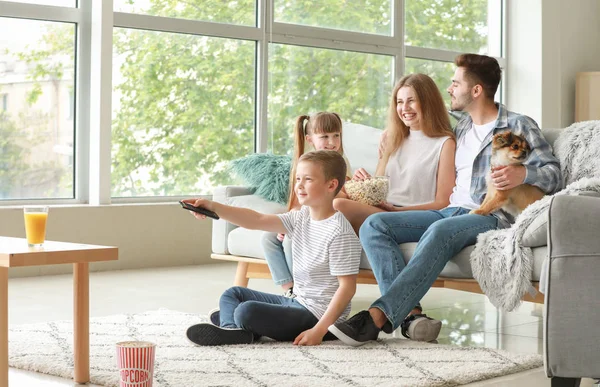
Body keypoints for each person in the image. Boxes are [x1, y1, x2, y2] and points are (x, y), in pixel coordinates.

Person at [327, 53, 562, 346]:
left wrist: (523, 173)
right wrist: (389, 135)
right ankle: (411, 316)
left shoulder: (517, 125)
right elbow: (420, 119)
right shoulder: (461, 127)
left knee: (439, 231)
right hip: (450, 210)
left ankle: (377, 316)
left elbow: (554, 174)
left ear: (476, 91)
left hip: (489, 215)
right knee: (375, 225)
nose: (449, 89)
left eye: (455, 83)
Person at [185, 150, 362, 346]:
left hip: (317, 316)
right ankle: (233, 329)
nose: (299, 186)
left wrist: (318, 331)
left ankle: (236, 322)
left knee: (246, 311)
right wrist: (214, 207)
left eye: (308, 179)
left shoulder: (340, 232)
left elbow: (347, 288)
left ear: (331, 185)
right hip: (297, 301)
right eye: (298, 179)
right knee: (233, 294)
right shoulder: (301, 217)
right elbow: (256, 220)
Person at [333, 74, 456, 341]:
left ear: (429, 101)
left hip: (417, 215)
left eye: (412, 101)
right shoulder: (393, 138)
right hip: (385, 210)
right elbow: (379, 188)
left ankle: (403, 313)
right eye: (399, 102)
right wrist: (365, 182)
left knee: (348, 211)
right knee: (338, 204)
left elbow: (444, 202)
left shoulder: (445, 143)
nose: (405, 108)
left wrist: (395, 212)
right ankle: (410, 314)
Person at [261, 112, 352, 298]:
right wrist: (287, 223)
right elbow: (297, 203)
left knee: (290, 239)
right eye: (325, 136)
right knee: (268, 239)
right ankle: (290, 289)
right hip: (304, 218)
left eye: (336, 135)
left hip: (323, 220)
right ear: (310, 139)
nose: (332, 141)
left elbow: (344, 195)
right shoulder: (305, 163)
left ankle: (303, 291)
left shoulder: (341, 162)